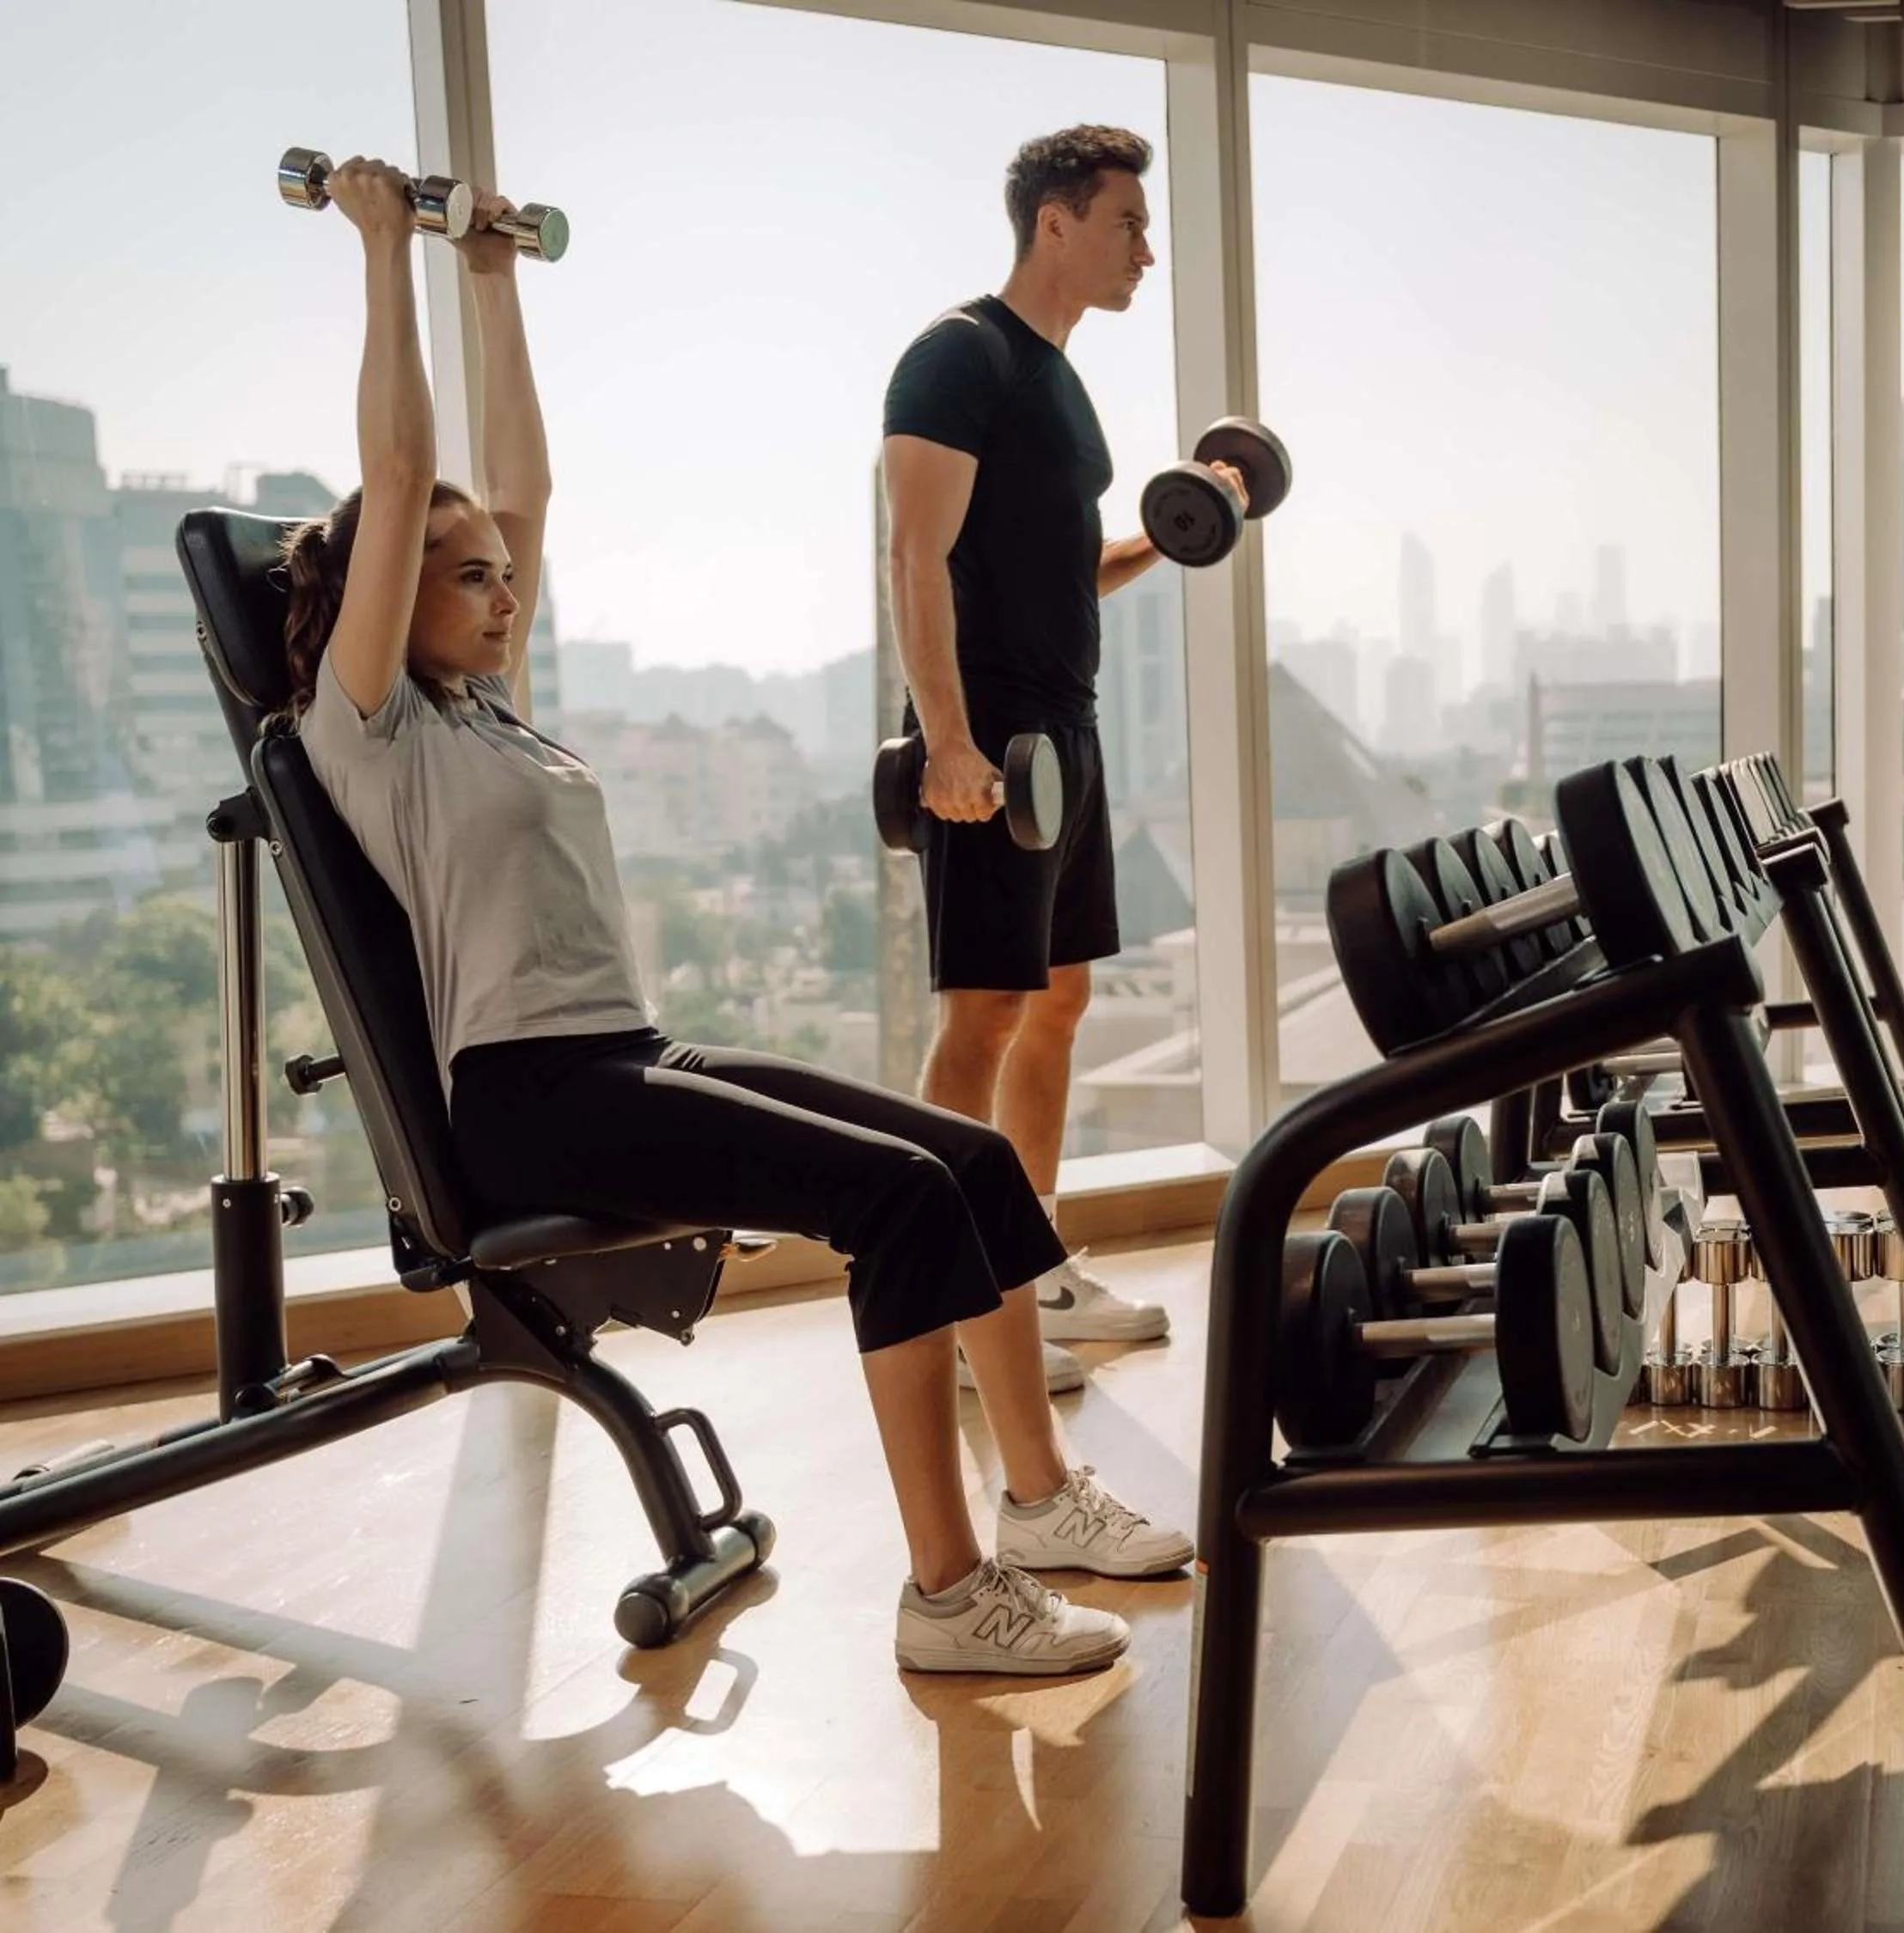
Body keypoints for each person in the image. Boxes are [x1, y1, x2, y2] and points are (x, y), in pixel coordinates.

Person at [284, 156, 1190, 1678]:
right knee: (897, 1202)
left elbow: (525, 491)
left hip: (622, 1055)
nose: (503, 594)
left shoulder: (489, 710)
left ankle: (1040, 1504)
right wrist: (386, 250)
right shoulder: (369, 728)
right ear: (385, 593)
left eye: (506, 577)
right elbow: (402, 466)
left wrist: (492, 279)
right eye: (466, 577)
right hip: (525, 1102)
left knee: (968, 1161)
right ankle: (950, 1592)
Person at [882, 127, 1243, 1377]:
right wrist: (947, 742)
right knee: (984, 1014)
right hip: (993, 735)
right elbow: (915, 554)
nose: (1146, 249)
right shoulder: (958, 356)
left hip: (1069, 728)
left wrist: (1180, 528)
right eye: (1128, 223)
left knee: (1059, 1001)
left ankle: (1027, 1273)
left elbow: (1056, 569)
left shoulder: (1059, 379)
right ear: (1056, 222)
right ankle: (951, 1306)